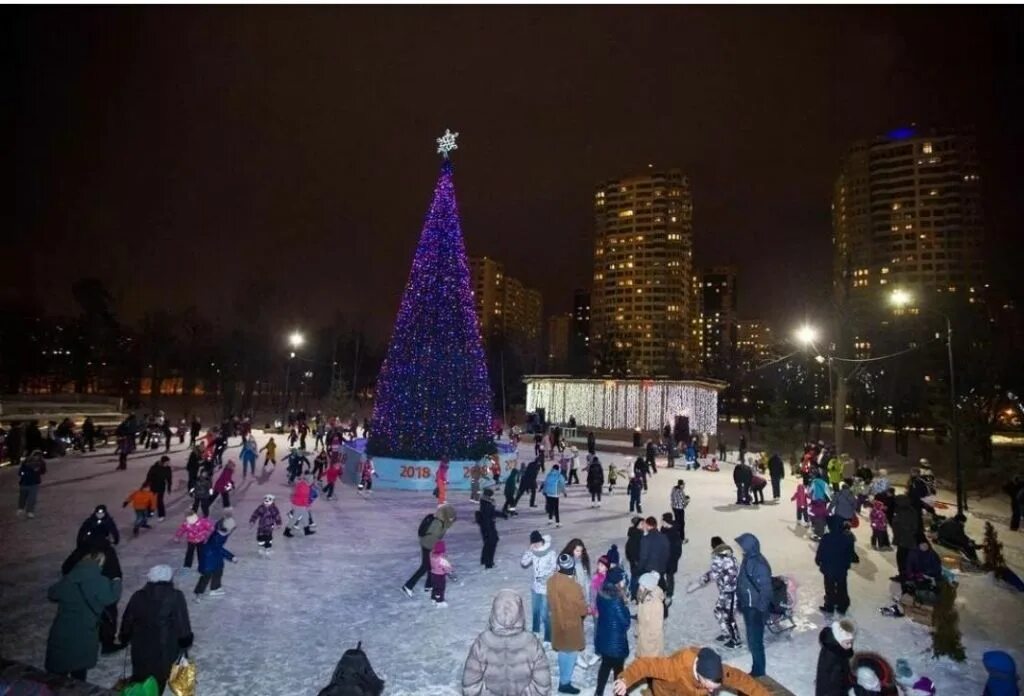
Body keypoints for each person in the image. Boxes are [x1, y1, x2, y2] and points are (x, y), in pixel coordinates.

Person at [46, 551, 122, 682]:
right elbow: (110, 598)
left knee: (59, 669)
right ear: (99, 563)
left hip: (63, 628)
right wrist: (116, 583)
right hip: (85, 629)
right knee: (79, 666)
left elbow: (53, 593)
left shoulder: (70, 578)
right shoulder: (100, 581)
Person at [461, 589, 551, 696]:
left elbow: (470, 686)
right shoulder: (531, 643)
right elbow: (542, 686)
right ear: (520, 612)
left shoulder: (482, 643)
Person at [119, 565, 193, 693]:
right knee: (158, 680)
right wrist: (185, 640)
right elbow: (182, 623)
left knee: (140, 678)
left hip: (140, 647)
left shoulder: (138, 596)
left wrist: (125, 636)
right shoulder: (176, 596)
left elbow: (128, 619)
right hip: (165, 649)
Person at [612, 645, 770, 696]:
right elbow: (645, 665)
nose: (711, 691)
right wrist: (626, 679)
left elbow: (743, 680)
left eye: (714, 688)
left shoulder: (717, 671)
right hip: (667, 692)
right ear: (699, 674)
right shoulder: (674, 668)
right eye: (709, 686)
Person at [687, 535, 742, 648]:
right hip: (725, 591)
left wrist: (696, 584)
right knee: (718, 611)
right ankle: (726, 633)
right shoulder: (729, 556)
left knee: (729, 617)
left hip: (731, 592)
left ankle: (736, 640)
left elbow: (713, 574)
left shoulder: (720, 558)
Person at [548, 553, 589, 694]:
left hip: (557, 622)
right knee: (571, 653)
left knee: (562, 650)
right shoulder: (573, 587)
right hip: (570, 624)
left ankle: (563, 681)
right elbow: (582, 609)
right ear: (572, 568)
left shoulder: (551, 581)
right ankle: (564, 683)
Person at [735, 533, 771, 677]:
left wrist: (760, 609)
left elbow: (766, 590)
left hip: (755, 609)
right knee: (752, 640)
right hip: (749, 605)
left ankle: (759, 671)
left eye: (742, 545)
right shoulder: (748, 558)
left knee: (755, 642)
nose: (740, 548)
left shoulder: (758, 564)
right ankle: (757, 668)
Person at [402, 503, 457, 596]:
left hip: (428, 544)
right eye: (451, 517)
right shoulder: (438, 522)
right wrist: (437, 550)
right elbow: (432, 537)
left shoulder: (442, 520)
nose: (452, 519)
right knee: (425, 566)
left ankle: (428, 586)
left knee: (430, 566)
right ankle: (408, 586)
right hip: (428, 545)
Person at [594, 566, 631, 696]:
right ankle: (620, 693)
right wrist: (625, 606)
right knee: (619, 670)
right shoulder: (616, 600)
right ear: (617, 582)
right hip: (616, 642)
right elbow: (626, 621)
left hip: (604, 638)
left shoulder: (601, 593)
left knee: (605, 666)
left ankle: (598, 692)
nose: (624, 582)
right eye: (622, 580)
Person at [520, 530, 557, 645]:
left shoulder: (550, 552)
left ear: (541, 541)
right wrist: (529, 551)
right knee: (535, 610)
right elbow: (524, 563)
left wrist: (545, 577)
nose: (536, 545)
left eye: (537, 543)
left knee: (545, 613)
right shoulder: (533, 551)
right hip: (536, 587)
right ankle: (535, 631)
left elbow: (555, 568)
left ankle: (548, 637)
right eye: (534, 544)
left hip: (546, 588)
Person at [816, 516, 855, 616]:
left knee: (830, 587)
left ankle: (830, 606)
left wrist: (818, 560)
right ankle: (842, 606)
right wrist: (847, 564)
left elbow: (821, 551)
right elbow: (850, 553)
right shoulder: (847, 538)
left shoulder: (826, 537)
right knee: (842, 586)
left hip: (829, 569)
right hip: (841, 568)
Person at [195, 517, 237, 600]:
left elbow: (221, 524)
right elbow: (220, 549)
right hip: (209, 560)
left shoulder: (219, 531)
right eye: (231, 530)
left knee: (218, 572)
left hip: (213, 557)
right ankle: (199, 593)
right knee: (206, 576)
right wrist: (231, 557)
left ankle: (215, 588)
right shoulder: (217, 538)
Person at [815, 619, 857, 696]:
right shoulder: (833, 658)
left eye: (851, 642)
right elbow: (833, 684)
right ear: (839, 640)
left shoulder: (836, 648)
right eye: (847, 643)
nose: (850, 646)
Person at [891, 494, 923, 581]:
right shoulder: (910, 510)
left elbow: (903, 526)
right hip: (906, 539)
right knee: (904, 558)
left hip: (904, 540)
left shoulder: (904, 512)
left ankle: (904, 575)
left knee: (902, 559)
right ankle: (906, 574)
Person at [635, 572, 664, 657]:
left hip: (651, 642)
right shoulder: (643, 597)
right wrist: (638, 630)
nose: (640, 587)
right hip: (643, 636)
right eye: (640, 584)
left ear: (649, 587)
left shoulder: (655, 604)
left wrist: (651, 639)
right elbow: (640, 617)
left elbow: (657, 626)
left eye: (642, 586)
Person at [16, 449, 46, 518]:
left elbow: (43, 471)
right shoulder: (26, 462)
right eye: (36, 456)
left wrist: (39, 470)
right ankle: (21, 508)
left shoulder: (41, 463)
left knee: (32, 498)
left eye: (38, 456)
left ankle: (30, 511)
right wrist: (24, 474)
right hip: (24, 483)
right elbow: (20, 472)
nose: (37, 457)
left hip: (34, 483)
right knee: (23, 497)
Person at [659, 513, 683, 598]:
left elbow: (678, 552)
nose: (660, 521)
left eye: (662, 520)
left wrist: (672, 560)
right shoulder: (663, 529)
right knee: (660, 575)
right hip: (662, 560)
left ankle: (669, 593)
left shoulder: (674, 536)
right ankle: (663, 589)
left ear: (666, 521)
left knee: (669, 577)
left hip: (670, 562)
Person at [145, 455, 173, 521]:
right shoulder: (154, 467)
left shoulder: (168, 469)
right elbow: (149, 476)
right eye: (167, 462)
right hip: (154, 485)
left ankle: (161, 515)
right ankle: (149, 512)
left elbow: (169, 479)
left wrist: (169, 487)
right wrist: (147, 483)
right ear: (163, 462)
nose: (168, 464)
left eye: (168, 462)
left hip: (161, 486)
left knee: (159, 501)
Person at [477, 488, 499, 569]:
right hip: (488, 526)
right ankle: (488, 562)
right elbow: (487, 516)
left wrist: (502, 514)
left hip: (488, 525)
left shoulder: (487, 502)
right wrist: (489, 529)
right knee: (491, 542)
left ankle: (484, 560)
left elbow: (492, 512)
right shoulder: (486, 504)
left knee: (489, 542)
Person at [429, 540, 454, 607]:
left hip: (433, 574)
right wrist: (450, 570)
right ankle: (440, 601)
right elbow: (447, 567)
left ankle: (433, 598)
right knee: (441, 588)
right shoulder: (442, 559)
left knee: (435, 587)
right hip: (440, 575)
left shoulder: (432, 556)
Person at [625, 517, 643, 590]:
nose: (644, 525)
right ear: (637, 525)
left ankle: (633, 590)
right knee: (635, 577)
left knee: (635, 577)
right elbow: (631, 550)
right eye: (642, 523)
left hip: (636, 561)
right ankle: (633, 594)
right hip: (636, 561)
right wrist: (635, 561)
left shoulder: (637, 533)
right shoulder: (636, 535)